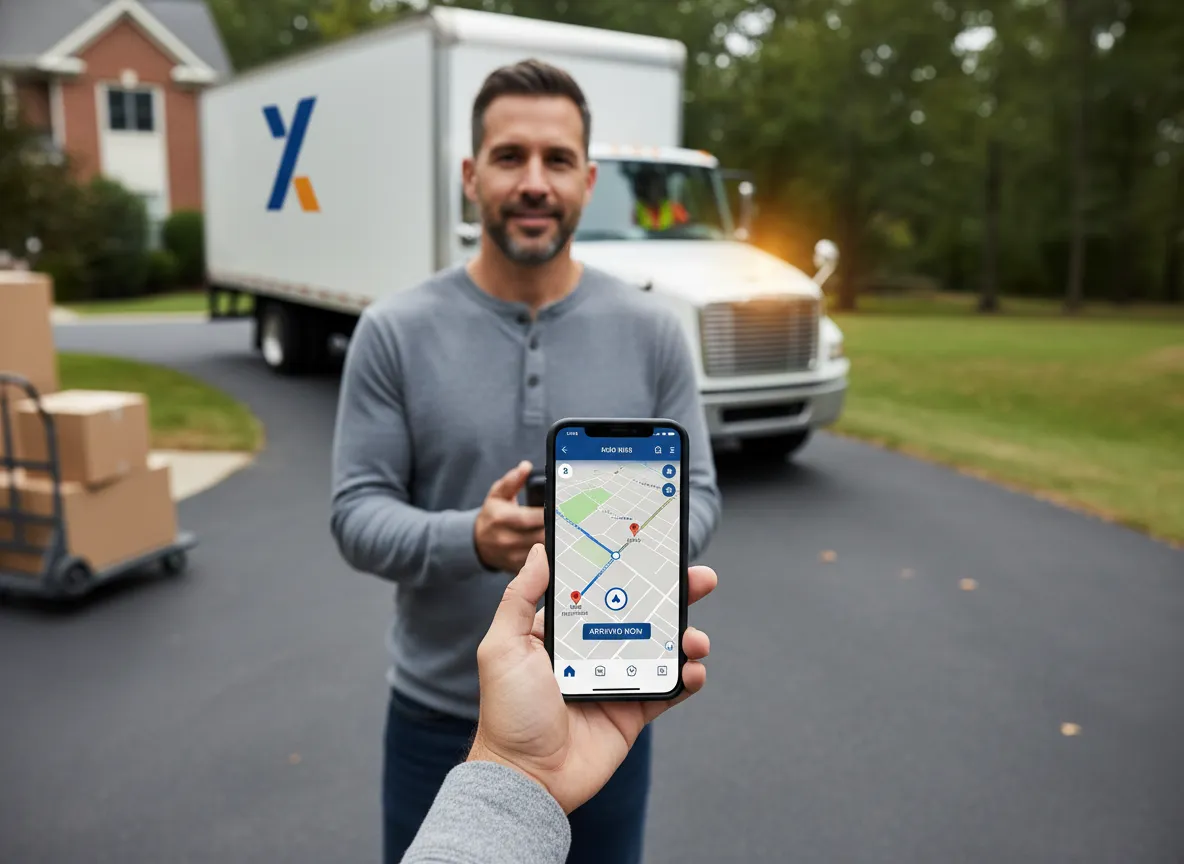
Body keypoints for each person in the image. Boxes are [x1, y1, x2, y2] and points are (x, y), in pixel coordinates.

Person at [329, 57, 722, 864]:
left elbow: (704, 499)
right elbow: (355, 514)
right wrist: (469, 538)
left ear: (589, 178)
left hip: (606, 703)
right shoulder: (393, 331)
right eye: (510, 157)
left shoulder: (651, 331)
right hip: (439, 717)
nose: (534, 181)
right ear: (472, 176)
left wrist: (623, 539)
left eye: (558, 160)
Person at [400, 545, 718, 863]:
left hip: (604, 731)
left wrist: (654, 552)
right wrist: (471, 540)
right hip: (432, 702)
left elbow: (701, 499)